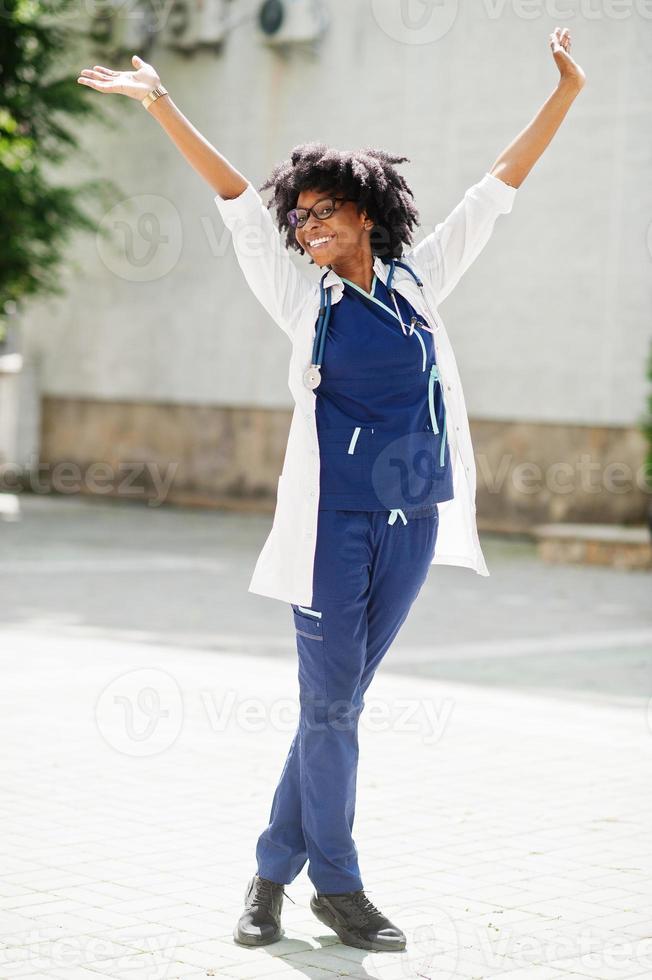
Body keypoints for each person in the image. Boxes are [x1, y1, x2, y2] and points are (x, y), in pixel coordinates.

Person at [77, 27, 585, 953]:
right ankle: (338, 889)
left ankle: (269, 876)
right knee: (333, 709)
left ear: (364, 212)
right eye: (299, 219)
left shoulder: (419, 280)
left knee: (334, 705)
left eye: (322, 214)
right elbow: (233, 196)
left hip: (414, 526)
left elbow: (498, 186)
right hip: (330, 528)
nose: (306, 229)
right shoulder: (298, 294)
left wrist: (567, 93)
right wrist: (160, 102)